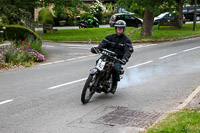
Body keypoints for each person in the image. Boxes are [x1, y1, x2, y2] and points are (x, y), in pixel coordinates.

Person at [91, 20, 134, 94]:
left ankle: (114, 84)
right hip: (107, 56)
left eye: (121, 28)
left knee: (115, 69)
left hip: (117, 59)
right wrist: (96, 49)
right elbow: (102, 45)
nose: (119, 29)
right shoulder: (109, 37)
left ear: (124, 29)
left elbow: (128, 51)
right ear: (115, 28)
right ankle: (95, 78)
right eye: (118, 28)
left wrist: (124, 59)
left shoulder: (126, 40)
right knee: (98, 62)